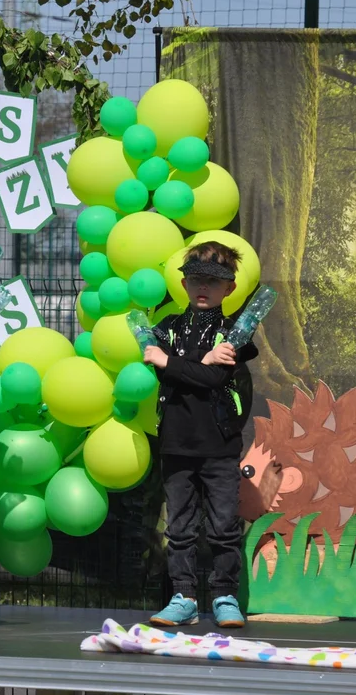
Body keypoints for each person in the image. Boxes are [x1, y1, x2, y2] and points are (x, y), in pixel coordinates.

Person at [144, 241, 258, 628]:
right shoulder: (166, 328)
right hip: (176, 442)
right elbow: (161, 368)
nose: (203, 288)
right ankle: (184, 597)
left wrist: (175, 362)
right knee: (178, 527)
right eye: (196, 280)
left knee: (224, 526)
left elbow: (213, 378)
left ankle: (225, 595)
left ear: (230, 287)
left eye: (213, 281)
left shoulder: (236, 332)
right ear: (183, 283)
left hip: (220, 445)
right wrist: (191, 361)